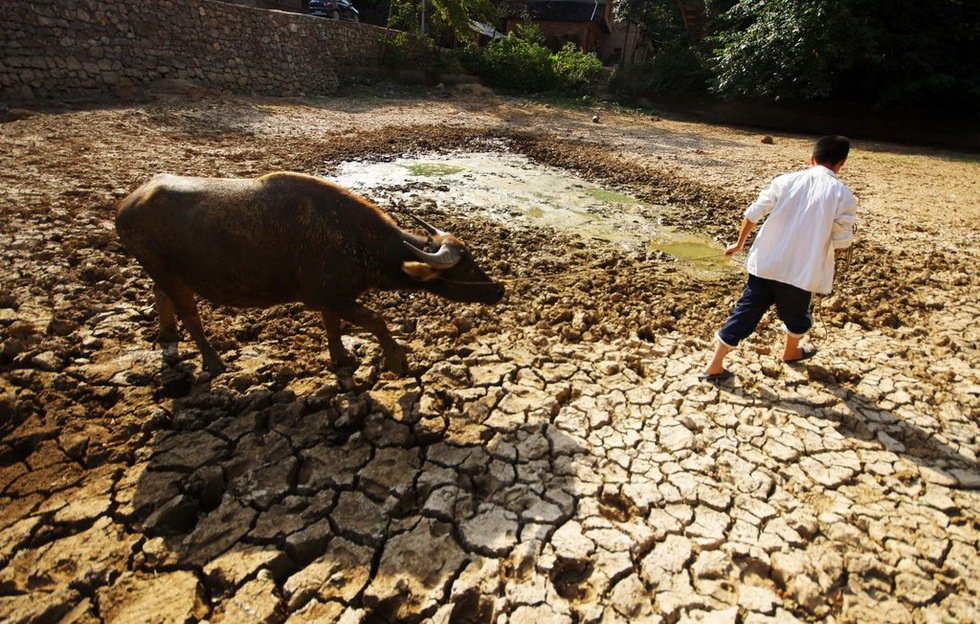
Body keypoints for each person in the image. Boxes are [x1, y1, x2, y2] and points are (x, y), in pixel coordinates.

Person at [701, 135, 858, 381]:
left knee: (745, 313)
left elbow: (754, 212)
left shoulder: (785, 181)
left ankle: (714, 365)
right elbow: (842, 241)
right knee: (797, 316)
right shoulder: (844, 195)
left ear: (812, 158)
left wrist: (740, 243)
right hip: (800, 272)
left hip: (765, 263)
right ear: (841, 163)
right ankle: (791, 351)